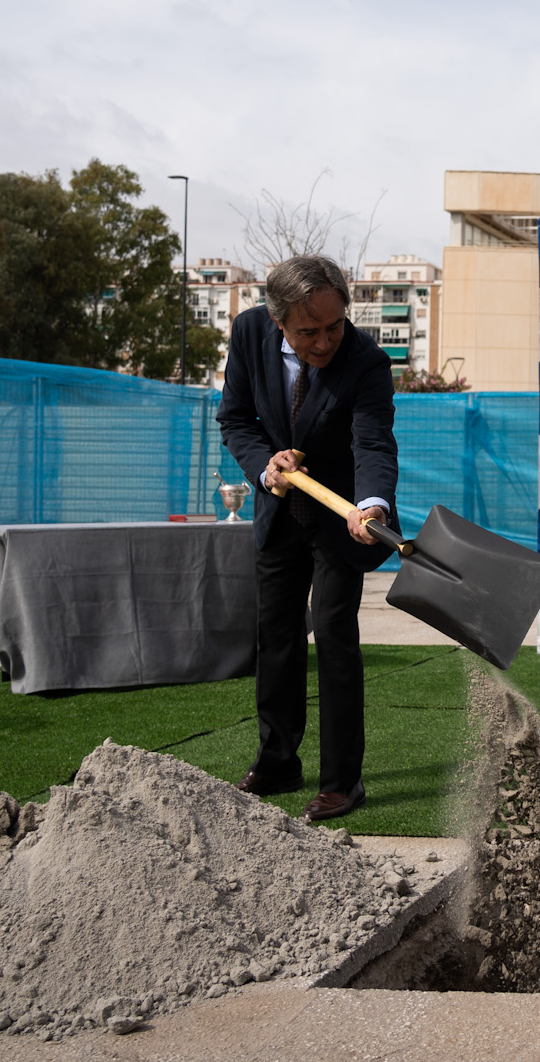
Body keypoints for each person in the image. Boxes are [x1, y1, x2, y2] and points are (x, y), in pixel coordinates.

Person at [216, 254, 399, 819]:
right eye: (309, 332)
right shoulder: (248, 333)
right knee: (276, 638)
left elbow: (372, 442)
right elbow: (236, 419)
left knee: (336, 638)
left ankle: (343, 781)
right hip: (277, 509)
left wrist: (370, 503)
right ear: (278, 322)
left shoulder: (367, 362)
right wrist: (265, 467)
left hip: (340, 520)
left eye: (335, 326)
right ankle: (277, 761)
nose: (325, 342)